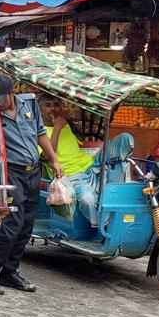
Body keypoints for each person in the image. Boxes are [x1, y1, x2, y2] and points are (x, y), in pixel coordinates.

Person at [0, 74, 63, 295]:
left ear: (12, 94)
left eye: (3, 99)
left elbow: (41, 134)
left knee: (27, 225)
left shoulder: (30, 104)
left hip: (33, 171)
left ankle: (10, 273)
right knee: (13, 223)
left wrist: (54, 160)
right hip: (11, 173)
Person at [38, 94, 134, 227]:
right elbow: (47, 156)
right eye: (48, 105)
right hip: (71, 175)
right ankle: (103, 225)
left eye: (56, 105)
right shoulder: (39, 132)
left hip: (91, 164)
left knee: (123, 139)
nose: (53, 109)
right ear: (40, 109)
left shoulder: (65, 125)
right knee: (87, 200)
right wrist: (57, 129)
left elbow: (77, 147)